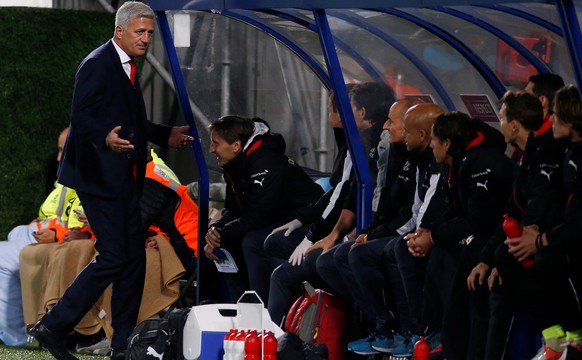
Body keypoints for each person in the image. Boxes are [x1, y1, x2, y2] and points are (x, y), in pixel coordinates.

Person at [29, 3, 193, 360]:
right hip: (98, 178)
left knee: (131, 258)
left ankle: (122, 345)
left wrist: (166, 135)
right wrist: (105, 137)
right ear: (120, 31)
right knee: (117, 255)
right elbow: (81, 119)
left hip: (123, 178)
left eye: (150, 33)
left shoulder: (127, 66)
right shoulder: (98, 64)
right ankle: (53, 325)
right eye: (140, 32)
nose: (146, 38)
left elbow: (133, 121)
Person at [266, 82, 395, 326]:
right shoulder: (355, 142)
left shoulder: (369, 145)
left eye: (335, 109)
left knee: (288, 272)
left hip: (364, 234)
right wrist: (305, 222)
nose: (331, 116)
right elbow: (343, 191)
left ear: (362, 112)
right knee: (275, 245)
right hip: (348, 230)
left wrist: (318, 235)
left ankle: (283, 337)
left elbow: (350, 194)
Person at [466, 90, 568, 359]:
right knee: (487, 271)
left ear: (513, 124)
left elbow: (545, 200)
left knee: (507, 264)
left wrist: (532, 233)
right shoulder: (521, 158)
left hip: (555, 241)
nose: (498, 124)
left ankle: (557, 336)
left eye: (501, 117)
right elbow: (511, 213)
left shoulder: (548, 152)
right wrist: (486, 260)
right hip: (532, 241)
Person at [408, 112, 513, 360]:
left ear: (447, 143)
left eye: (434, 140)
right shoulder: (458, 162)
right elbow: (452, 209)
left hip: (494, 242)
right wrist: (427, 233)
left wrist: (433, 237)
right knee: (437, 259)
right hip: (480, 238)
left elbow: (479, 219)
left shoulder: (483, 163)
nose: (431, 146)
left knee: (465, 279)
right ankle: (436, 338)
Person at [204, 115, 323, 304]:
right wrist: (215, 230)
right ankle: (241, 308)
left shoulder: (264, 161)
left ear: (235, 146)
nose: (211, 149)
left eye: (215, 143)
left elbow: (260, 215)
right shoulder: (235, 164)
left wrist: (223, 232)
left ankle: (263, 310)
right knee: (223, 243)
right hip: (275, 220)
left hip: (308, 222)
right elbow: (234, 210)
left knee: (252, 241)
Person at [502, 85, 582, 359]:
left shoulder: (563, 154)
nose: (552, 119)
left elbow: (567, 211)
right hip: (564, 231)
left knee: (549, 259)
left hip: (569, 237)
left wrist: (540, 239)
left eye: (557, 114)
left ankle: (574, 337)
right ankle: (557, 338)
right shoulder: (562, 151)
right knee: (508, 257)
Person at [0, 128, 79, 347]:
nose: (58, 157)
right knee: (13, 235)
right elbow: (58, 215)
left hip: (64, 241)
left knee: (1, 257)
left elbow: (83, 226)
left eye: (62, 150)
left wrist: (55, 233)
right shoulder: (69, 176)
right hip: (43, 233)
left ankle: (17, 335)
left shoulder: (89, 177)